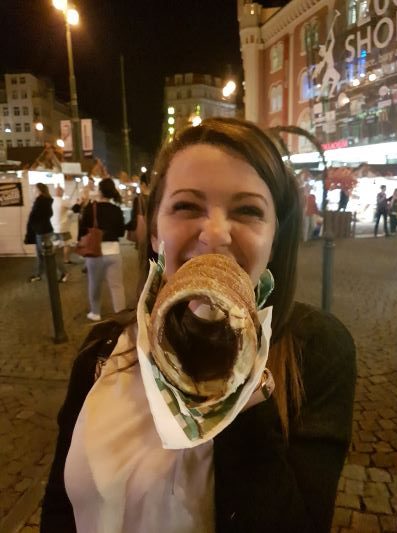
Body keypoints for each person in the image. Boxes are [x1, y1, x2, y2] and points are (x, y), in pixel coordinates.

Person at [41, 118, 356, 533]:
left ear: (275, 236)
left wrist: (244, 384)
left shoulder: (316, 350)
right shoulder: (100, 350)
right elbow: (60, 511)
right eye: (187, 206)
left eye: (248, 210)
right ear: (154, 231)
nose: (215, 234)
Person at [80, 177, 126, 321]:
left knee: (94, 283)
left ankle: (95, 312)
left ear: (99, 191)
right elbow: (120, 232)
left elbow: (82, 229)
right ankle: (121, 314)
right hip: (114, 252)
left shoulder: (91, 208)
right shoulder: (117, 210)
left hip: (95, 253)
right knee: (117, 286)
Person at [25, 182, 68, 283]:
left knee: (49, 255)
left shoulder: (41, 201)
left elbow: (34, 217)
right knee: (44, 255)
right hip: (45, 231)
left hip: (43, 232)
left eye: (34, 189)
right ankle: (39, 274)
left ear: (39, 190)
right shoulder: (47, 201)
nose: (33, 190)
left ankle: (64, 272)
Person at [51, 185, 73, 264]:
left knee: (54, 243)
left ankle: (50, 259)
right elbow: (73, 209)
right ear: (61, 192)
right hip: (63, 227)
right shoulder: (64, 201)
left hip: (53, 227)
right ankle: (66, 259)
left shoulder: (51, 201)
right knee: (67, 244)